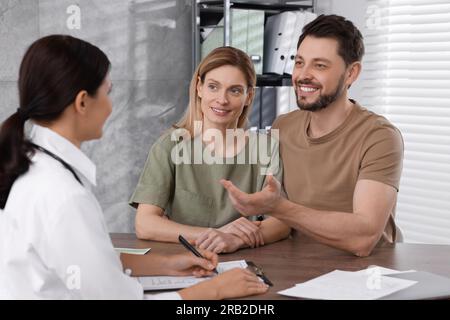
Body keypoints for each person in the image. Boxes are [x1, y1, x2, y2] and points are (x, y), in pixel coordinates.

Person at [0, 35, 268, 299]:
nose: (111, 105)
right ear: (83, 102)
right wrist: (215, 289)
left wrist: (165, 264)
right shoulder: (64, 196)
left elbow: (82, 261)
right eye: (108, 92)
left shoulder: (38, 170)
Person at [221, 14, 404, 257]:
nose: (303, 75)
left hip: (365, 275)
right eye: (299, 62)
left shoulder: (379, 137)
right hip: (296, 266)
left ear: (351, 74)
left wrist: (280, 208)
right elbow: (282, 223)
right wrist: (238, 237)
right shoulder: (283, 127)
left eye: (319, 65)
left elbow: (363, 237)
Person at [130, 47, 290, 253]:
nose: (222, 100)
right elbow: (145, 224)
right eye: (213, 87)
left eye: (234, 90)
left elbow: (282, 221)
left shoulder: (265, 147)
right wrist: (215, 235)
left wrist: (235, 240)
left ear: (249, 96)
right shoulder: (170, 146)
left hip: (242, 260)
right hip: (182, 260)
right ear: (199, 88)